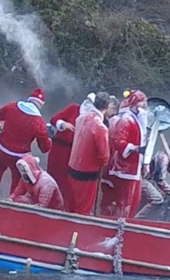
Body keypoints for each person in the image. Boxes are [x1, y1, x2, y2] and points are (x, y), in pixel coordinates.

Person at [0, 88, 52, 198]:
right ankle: (11, 203)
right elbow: (44, 148)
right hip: (18, 157)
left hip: (1, 148)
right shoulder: (39, 122)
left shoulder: (12, 107)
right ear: (41, 104)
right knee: (16, 181)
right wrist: (49, 139)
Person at [100, 90, 147, 218]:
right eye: (143, 102)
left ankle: (125, 223)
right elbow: (118, 142)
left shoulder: (138, 119)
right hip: (125, 170)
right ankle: (118, 225)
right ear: (136, 103)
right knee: (123, 203)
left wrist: (144, 163)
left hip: (133, 169)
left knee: (132, 202)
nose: (145, 106)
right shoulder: (126, 120)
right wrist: (135, 148)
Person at [46, 94, 96, 207]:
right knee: (54, 177)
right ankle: (48, 203)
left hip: (74, 154)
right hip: (59, 149)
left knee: (67, 183)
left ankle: (63, 207)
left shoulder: (93, 119)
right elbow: (54, 119)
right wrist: (63, 124)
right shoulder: (74, 109)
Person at [66, 92, 111, 215]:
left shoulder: (80, 118)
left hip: (72, 168)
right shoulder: (100, 128)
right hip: (87, 174)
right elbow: (104, 158)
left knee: (70, 206)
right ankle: (77, 232)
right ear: (107, 107)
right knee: (83, 210)